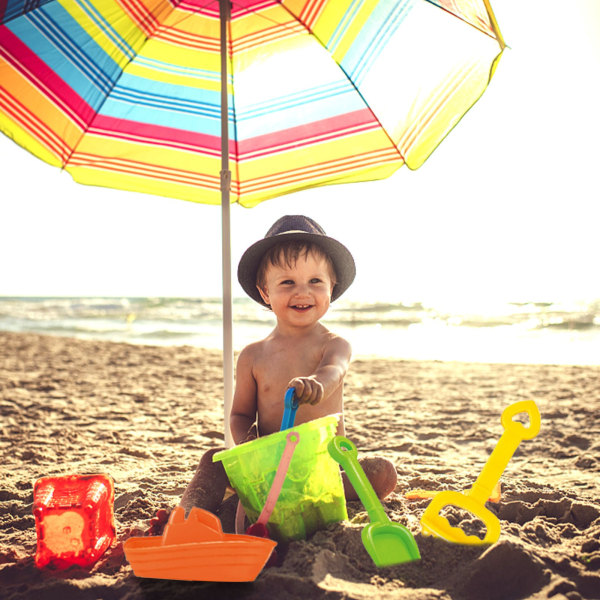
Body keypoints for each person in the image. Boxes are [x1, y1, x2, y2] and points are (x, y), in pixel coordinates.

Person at [149, 216, 396, 534]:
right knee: (214, 459)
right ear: (265, 292)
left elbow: (334, 371)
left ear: (332, 289)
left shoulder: (335, 345)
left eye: (315, 282)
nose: (302, 292)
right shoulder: (253, 355)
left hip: (324, 472)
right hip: (269, 474)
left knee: (383, 471)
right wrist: (250, 445)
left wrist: (317, 384)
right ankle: (182, 521)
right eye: (287, 283)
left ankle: (316, 502)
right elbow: (239, 414)